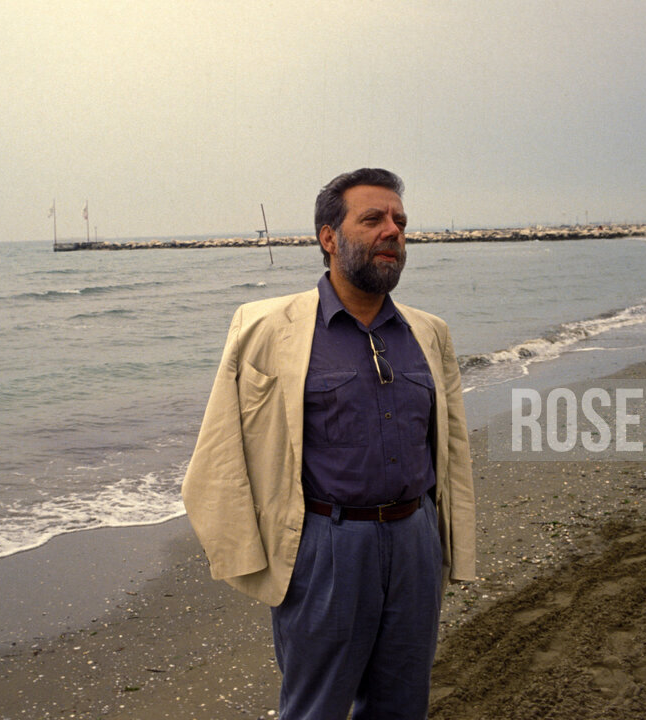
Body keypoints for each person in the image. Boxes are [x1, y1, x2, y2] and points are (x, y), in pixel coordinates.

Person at [182, 168, 475, 719]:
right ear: (328, 238)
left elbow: (452, 449)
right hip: (327, 548)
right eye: (373, 219)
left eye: (400, 221)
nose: (392, 231)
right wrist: (256, 561)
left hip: (416, 541)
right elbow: (218, 456)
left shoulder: (428, 332)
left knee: (402, 704)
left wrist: (450, 545)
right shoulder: (266, 328)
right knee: (315, 708)